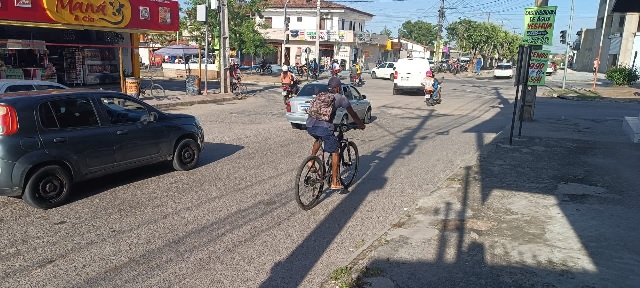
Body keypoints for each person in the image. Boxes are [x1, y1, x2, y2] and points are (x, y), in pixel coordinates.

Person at [306, 77, 365, 190]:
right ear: (338, 88)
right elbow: (353, 114)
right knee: (335, 151)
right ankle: (334, 181)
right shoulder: (341, 98)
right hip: (324, 127)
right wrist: (360, 125)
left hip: (310, 125)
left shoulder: (321, 95)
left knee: (319, 138)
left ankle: (312, 161)